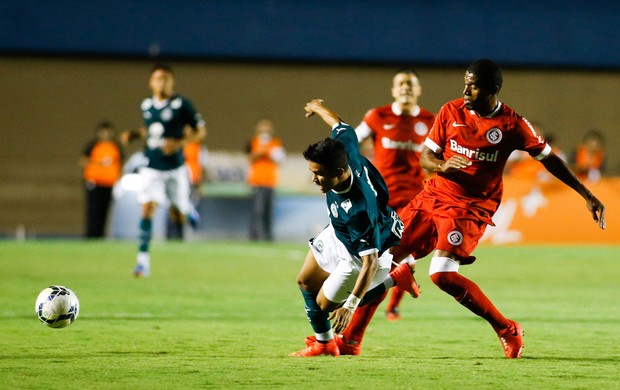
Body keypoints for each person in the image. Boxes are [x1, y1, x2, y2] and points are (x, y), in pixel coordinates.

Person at [334, 59, 606, 359]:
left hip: (470, 206)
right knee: (382, 259)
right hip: (433, 196)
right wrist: (442, 165)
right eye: (465, 82)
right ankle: (350, 341)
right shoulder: (451, 111)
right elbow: (426, 157)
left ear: (492, 89)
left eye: (473, 85)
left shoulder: (512, 124)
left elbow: (548, 158)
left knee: (442, 275)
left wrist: (586, 194)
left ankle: (507, 329)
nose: (465, 90)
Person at [289, 99, 419, 357]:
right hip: (340, 232)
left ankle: (394, 276)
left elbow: (369, 262)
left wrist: (351, 305)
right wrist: (317, 108)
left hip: (360, 257)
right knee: (305, 281)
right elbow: (340, 124)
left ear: (339, 171)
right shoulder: (344, 149)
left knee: (325, 305)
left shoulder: (358, 209)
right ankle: (325, 345)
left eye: (319, 174)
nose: (314, 179)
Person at [354, 68, 435, 321]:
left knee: (403, 252)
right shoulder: (378, 116)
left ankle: (393, 305)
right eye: (401, 84)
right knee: (382, 255)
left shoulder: (431, 121)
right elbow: (352, 141)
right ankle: (390, 297)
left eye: (411, 84)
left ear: (419, 90)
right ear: (393, 89)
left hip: (414, 198)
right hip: (381, 197)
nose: (406, 88)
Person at [122, 64, 207, 277]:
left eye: (166, 78)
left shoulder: (182, 104)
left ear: (172, 82)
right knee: (148, 207)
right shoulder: (147, 105)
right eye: (158, 78)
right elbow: (152, 129)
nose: (162, 82)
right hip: (151, 166)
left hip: (175, 168)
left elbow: (200, 132)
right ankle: (142, 262)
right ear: (151, 83)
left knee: (178, 212)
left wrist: (178, 144)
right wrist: (134, 135)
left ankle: (188, 210)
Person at [80, 120, 123, 238]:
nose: (106, 134)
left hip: (109, 184)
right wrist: (99, 162)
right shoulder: (93, 145)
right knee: (93, 211)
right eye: (103, 132)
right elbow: (83, 161)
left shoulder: (115, 147)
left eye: (108, 132)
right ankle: (91, 236)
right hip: (94, 183)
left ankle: (100, 236)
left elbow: (120, 164)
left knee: (105, 211)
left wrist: (119, 181)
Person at [246, 118, 286, 241]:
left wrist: (271, 153)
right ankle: (254, 236)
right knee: (257, 211)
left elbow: (281, 160)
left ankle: (268, 237)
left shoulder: (276, 143)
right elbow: (249, 158)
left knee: (269, 212)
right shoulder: (253, 142)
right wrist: (260, 152)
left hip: (270, 181)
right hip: (257, 181)